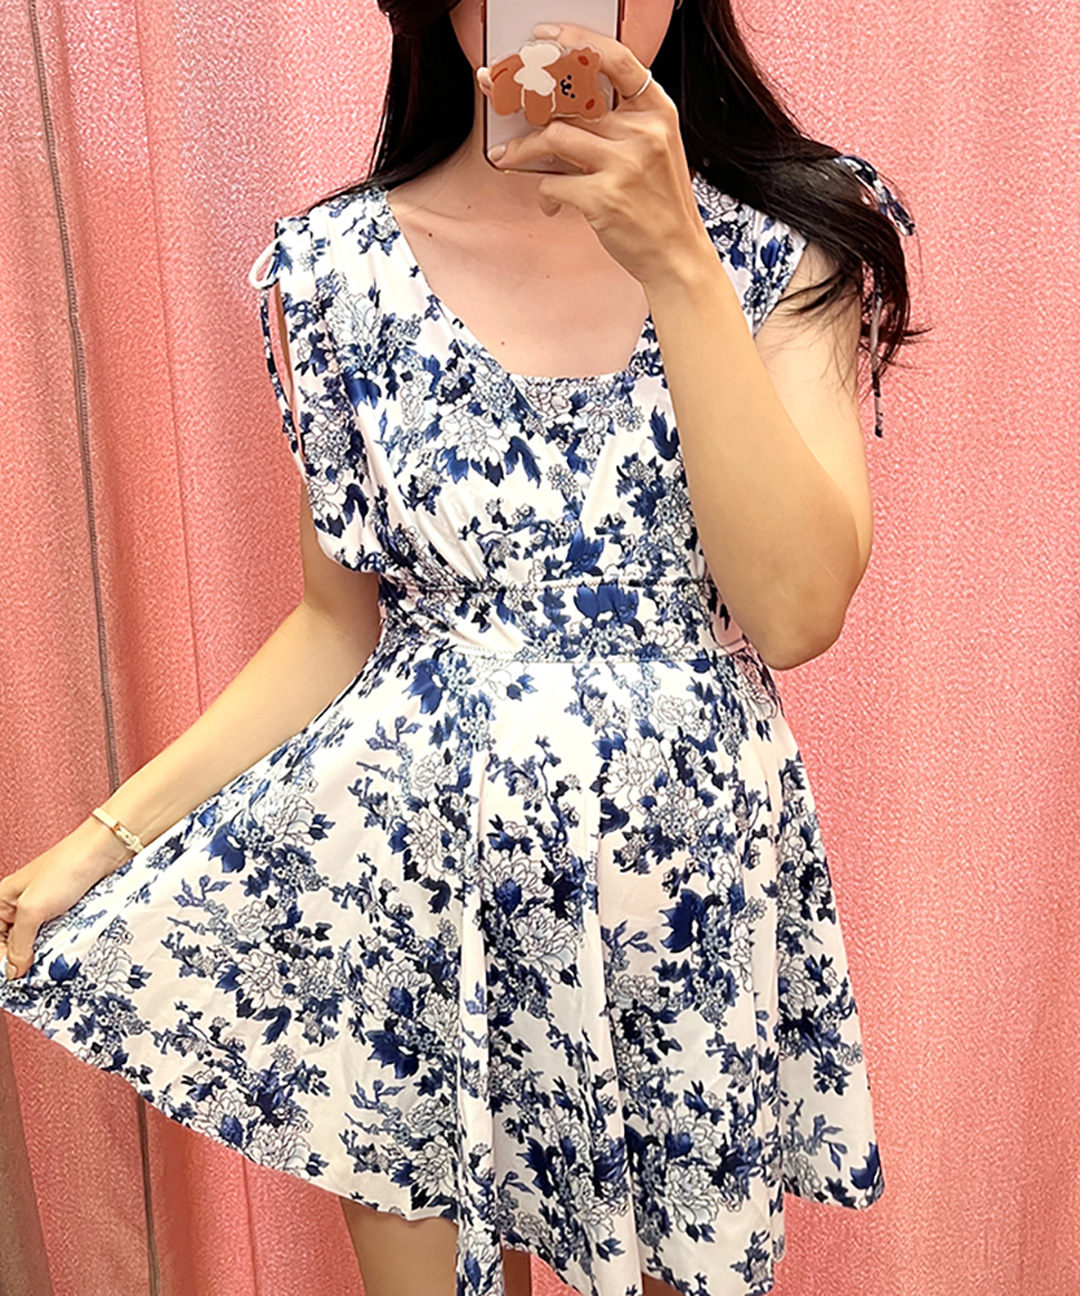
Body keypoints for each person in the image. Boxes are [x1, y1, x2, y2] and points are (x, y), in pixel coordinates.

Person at [0, 2, 918, 1294]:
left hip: (681, 885)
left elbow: (796, 610)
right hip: (412, 884)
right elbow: (336, 627)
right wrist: (100, 844)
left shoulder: (794, 237)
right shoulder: (334, 268)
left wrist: (678, 262)